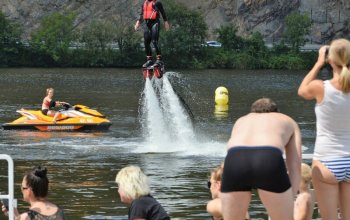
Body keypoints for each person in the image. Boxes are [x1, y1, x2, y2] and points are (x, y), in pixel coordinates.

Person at [220, 97, 302, 220]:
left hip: (235, 159)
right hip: (268, 157)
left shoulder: (241, 121)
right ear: (276, 112)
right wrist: (289, 200)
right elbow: (295, 167)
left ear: (252, 111)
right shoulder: (287, 120)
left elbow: (230, 153)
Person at [298, 38, 350, 220]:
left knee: (328, 217)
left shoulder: (320, 87)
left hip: (327, 160)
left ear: (330, 60)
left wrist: (318, 63)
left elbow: (302, 90)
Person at [1, 166, 66, 220]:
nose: (21, 189)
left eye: (23, 187)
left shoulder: (26, 217)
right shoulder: (60, 212)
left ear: (29, 191)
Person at [134, 0, 170, 68]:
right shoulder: (144, 3)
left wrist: (166, 22)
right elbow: (142, 14)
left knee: (154, 41)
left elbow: (163, 12)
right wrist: (138, 22)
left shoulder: (157, 3)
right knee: (146, 42)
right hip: (147, 24)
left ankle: (159, 60)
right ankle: (149, 60)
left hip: (155, 23)